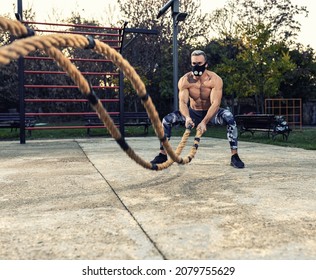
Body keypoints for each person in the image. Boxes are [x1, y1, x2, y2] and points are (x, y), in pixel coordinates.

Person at [151, 50, 245, 168]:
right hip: (193, 113)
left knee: (229, 117)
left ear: (206, 64)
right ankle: (162, 154)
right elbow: (183, 102)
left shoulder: (215, 79)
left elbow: (215, 103)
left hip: (211, 113)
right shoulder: (185, 80)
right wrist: (187, 117)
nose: (196, 66)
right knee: (166, 120)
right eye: (194, 63)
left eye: (199, 63)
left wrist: (204, 122)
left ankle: (234, 156)